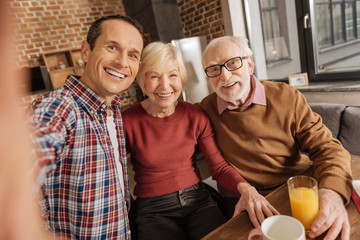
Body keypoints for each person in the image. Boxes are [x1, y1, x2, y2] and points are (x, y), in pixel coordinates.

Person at [199, 36, 352, 239]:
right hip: (243, 203)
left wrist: (332, 191)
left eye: (233, 63)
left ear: (250, 64)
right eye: (214, 69)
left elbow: (327, 147)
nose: (225, 76)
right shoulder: (204, 110)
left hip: (294, 191)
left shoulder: (286, 97)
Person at [122, 41, 278, 240]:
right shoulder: (126, 121)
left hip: (197, 200)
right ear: (143, 81)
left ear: (182, 78)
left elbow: (218, 167)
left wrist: (246, 188)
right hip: (153, 208)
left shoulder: (195, 115)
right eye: (154, 76)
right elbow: (113, 175)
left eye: (172, 75)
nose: (164, 85)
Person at [29, 15, 144, 239]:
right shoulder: (61, 106)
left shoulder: (111, 110)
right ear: (86, 51)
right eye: (112, 47)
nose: (122, 62)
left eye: (132, 55)